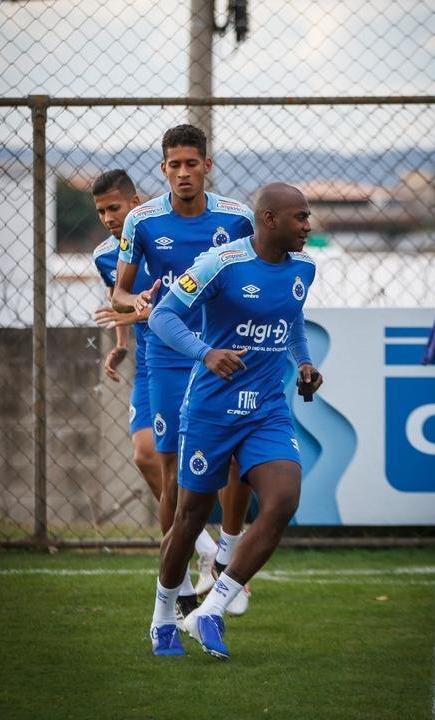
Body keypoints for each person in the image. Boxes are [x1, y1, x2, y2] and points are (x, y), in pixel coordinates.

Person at [146, 182, 323, 658]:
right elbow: (163, 317)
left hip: (266, 410)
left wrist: (304, 362)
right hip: (210, 412)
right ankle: (164, 614)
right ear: (269, 220)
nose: (308, 226)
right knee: (188, 519)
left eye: (308, 217)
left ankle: (213, 609)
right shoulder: (219, 263)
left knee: (283, 500)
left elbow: (293, 318)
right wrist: (206, 354)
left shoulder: (305, 267)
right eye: (300, 218)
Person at [112, 124, 257, 617]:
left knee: (234, 460)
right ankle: (172, 598)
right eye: (174, 165)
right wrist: (139, 301)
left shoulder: (236, 218)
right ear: (163, 169)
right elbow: (120, 293)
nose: (183, 173)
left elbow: (254, 274)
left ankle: (227, 563)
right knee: (173, 473)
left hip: (223, 353)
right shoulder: (142, 221)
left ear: (207, 166)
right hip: (169, 355)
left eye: (191, 163)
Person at [92, 169, 162, 501]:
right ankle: (201, 546)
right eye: (101, 211)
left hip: (194, 359)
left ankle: (230, 542)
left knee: (209, 457)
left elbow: (187, 307)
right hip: (150, 364)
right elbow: (118, 297)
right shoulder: (104, 255)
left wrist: (140, 314)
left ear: (134, 203)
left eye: (114, 209)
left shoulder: (166, 242)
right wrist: (121, 343)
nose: (107, 218)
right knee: (146, 454)